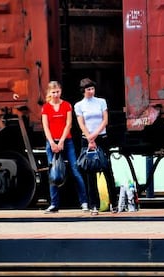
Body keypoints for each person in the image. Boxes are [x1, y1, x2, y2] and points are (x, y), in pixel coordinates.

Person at [41, 81, 89, 213]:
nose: (56, 94)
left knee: (75, 169)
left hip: (66, 142)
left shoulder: (67, 105)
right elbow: (45, 126)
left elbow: (69, 125)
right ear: (49, 93)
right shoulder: (45, 108)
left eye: (57, 92)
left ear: (60, 91)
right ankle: (54, 204)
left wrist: (61, 142)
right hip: (51, 142)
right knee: (53, 171)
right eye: (53, 92)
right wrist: (52, 143)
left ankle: (84, 202)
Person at [74, 78, 118, 215]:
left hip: (101, 137)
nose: (91, 91)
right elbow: (81, 123)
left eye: (92, 89)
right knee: (90, 172)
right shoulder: (79, 105)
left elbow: (105, 120)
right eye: (88, 89)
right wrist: (89, 137)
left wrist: (95, 135)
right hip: (86, 139)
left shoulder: (101, 102)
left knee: (106, 169)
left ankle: (114, 203)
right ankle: (94, 205)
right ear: (83, 91)